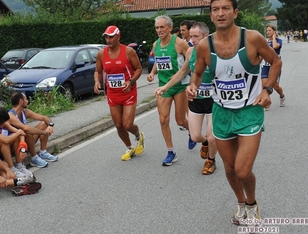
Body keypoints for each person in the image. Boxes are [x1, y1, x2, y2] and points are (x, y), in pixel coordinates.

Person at [188, 0, 281, 226]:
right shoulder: (204, 47)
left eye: (226, 8)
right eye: (216, 9)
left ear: (235, 12)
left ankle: (252, 203)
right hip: (221, 112)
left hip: (249, 112)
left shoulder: (252, 39)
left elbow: (276, 61)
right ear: (211, 15)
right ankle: (241, 203)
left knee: (242, 170)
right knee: (229, 169)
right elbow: (198, 73)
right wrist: (192, 86)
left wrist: (267, 89)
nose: (221, 13)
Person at [155, 22, 218, 174]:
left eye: (196, 37)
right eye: (191, 36)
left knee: (211, 137)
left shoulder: (217, 52)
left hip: (214, 100)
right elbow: (183, 72)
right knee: (196, 136)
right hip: (196, 98)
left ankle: (211, 160)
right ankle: (204, 144)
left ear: (206, 36)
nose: (193, 39)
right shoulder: (190, 52)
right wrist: (166, 86)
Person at [93, 25, 145, 161]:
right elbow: (98, 70)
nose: (108, 40)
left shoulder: (128, 51)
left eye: (111, 37)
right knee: (118, 125)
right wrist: (97, 82)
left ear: (118, 36)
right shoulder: (101, 54)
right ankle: (129, 147)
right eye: (106, 37)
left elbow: (139, 69)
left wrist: (131, 81)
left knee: (127, 124)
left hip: (128, 92)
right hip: (113, 94)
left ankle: (139, 136)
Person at [147, 15, 191, 166]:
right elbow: (158, 61)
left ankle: (192, 132)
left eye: (162, 27)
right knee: (163, 119)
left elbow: (190, 62)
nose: (159, 30)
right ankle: (171, 151)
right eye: (157, 28)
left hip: (179, 86)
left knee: (180, 120)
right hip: (163, 86)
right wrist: (153, 72)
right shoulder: (155, 44)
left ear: (170, 28)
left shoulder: (179, 44)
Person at [2, 92, 57, 168]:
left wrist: (50, 125)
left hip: (24, 143)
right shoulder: (11, 115)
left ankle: (43, 153)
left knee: (43, 124)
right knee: (27, 132)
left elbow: (44, 117)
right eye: (26, 99)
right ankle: (34, 158)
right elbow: (26, 128)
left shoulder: (25, 112)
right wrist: (44, 133)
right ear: (21, 101)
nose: (27, 101)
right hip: (14, 147)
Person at [262, 25, 286, 108]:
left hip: (275, 66)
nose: (268, 32)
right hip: (265, 65)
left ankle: (282, 96)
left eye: (269, 30)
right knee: (264, 84)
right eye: (267, 31)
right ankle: (267, 103)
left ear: (274, 31)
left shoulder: (278, 40)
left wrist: (274, 38)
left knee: (275, 86)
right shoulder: (264, 41)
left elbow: (275, 46)